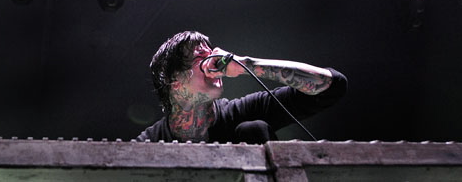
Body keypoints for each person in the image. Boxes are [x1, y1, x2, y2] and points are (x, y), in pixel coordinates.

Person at [136, 30, 347, 143]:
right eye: (202, 58)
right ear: (175, 81)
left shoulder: (241, 112)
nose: (215, 64)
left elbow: (332, 86)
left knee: (253, 130)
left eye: (214, 57)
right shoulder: (149, 143)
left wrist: (247, 64)